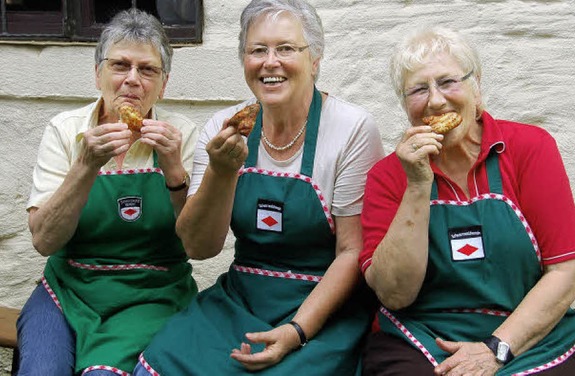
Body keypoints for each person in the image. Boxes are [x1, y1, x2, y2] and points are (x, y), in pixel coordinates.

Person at [133, 0, 384, 374]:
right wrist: (221, 171)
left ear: (315, 60)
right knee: (162, 361)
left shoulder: (352, 129)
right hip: (243, 297)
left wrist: (297, 330)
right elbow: (198, 247)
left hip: (324, 305)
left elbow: (351, 252)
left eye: (286, 48)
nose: (270, 62)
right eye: (257, 50)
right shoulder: (223, 126)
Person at [358, 28, 575, 376]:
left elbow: (567, 272)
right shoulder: (388, 175)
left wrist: (496, 347)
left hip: (527, 333)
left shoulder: (529, 148)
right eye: (419, 89)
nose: (436, 101)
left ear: (477, 85)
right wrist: (417, 185)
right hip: (422, 337)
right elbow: (395, 294)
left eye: (448, 82)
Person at [17, 9, 198, 375]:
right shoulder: (66, 130)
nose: (132, 80)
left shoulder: (181, 134)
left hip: (154, 292)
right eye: (120, 66)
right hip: (69, 289)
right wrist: (85, 164)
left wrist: (173, 168)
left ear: (163, 84)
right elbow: (44, 242)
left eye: (147, 70)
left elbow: (199, 244)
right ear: (98, 74)